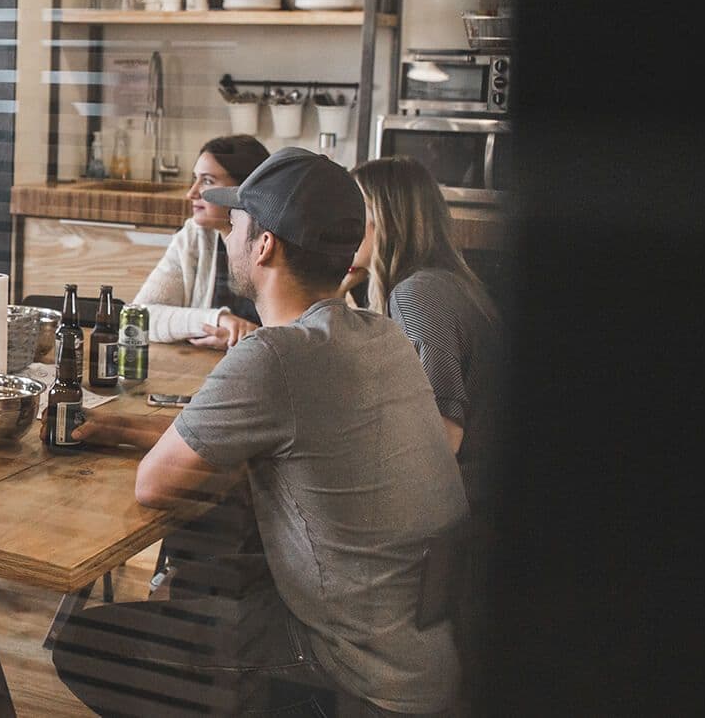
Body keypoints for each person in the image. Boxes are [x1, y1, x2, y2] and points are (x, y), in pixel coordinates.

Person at [56, 148, 469, 717]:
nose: (227, 236)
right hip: (418, 649)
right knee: (214, 563)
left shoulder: (275, 355)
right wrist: (126, 427)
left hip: (354, 667)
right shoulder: (378, 336)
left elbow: (154, 486)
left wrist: (144, 440)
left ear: (265, 244)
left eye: (236, 224)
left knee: (85, 646)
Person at [349, 156, 503, 510]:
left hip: (464, 508)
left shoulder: (419, 295)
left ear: (385, 218)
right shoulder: (442, 282)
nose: (344, 226)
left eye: (355, 212)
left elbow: (440, 440)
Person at [131, 135, 270, 349]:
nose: (191, 193)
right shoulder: (193, 236)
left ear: (244, 189)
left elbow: (297, 334)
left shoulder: (276, 244)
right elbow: (139, 316)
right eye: (195, 179)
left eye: (207, 181)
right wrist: (219, 320)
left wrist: (244, 339)